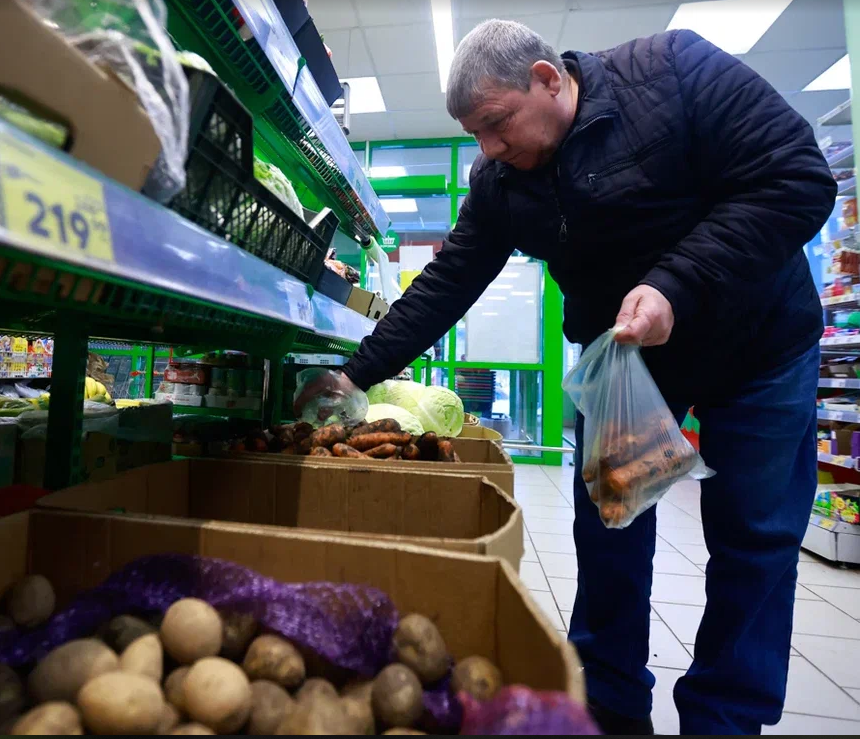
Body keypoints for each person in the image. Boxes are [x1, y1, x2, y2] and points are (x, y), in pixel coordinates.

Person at [298, 19, 834, 735]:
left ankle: (724, 717)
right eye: (476, 134)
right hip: (628, 361)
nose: (487, 150)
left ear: (548, 80)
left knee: (755, 539)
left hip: (760, 341)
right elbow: (447, 282)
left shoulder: (673, 72)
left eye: (496, 124)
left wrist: (677, 283)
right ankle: (611, 700)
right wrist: (354, 374)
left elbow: (799, 177)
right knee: (612, 531)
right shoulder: (500, 180)